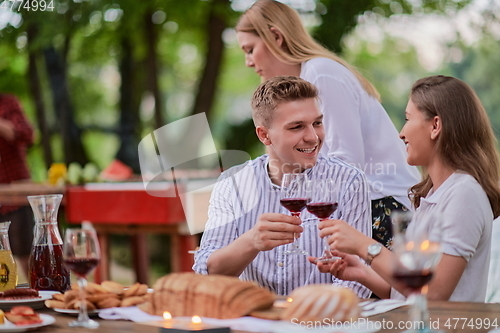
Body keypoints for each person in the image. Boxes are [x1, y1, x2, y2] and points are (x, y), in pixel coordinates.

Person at [235, 0, 421, 249]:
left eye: (249, 49)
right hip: (363, 206)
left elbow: (346, 164)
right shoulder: (311, 76)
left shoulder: (321, 73)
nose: (248, 61)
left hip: (383, 208)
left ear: (276, 37)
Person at [312, 75, 500, 302]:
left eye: (408, 118)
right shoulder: (434, 195)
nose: (401, 133)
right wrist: (360, 272)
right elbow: (409, 292)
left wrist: (365, 246)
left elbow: (434, 292)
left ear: (435, 126)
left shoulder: (465, 194)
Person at [193, 76, 372, 297]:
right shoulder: (232, 185)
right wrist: (252, 241)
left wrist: (308, 315)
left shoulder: (349, 181)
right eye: (297, 127)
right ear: (264, 135)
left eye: (317, 123)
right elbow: (208, 273)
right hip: (255, 321)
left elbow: (360, 278)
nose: (313, 137)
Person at [0, 93, 35, 277]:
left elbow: (28, 134)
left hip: (15, 194)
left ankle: (40, 296)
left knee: (25, 253)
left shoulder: (8, 103)